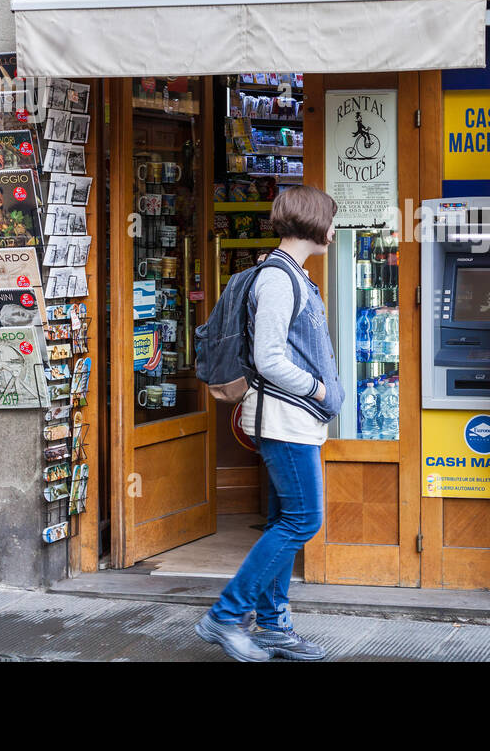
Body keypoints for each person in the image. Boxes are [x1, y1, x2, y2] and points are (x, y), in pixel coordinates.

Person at [195, 185, 344, 662]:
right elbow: (271, 358)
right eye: (332, 221)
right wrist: (320, 390)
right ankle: (226, 614)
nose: (335, 231)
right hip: (285, 421)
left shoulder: (290, 274)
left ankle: (275, 627)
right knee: (304, 520)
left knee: (285, 520)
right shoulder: (280, 280)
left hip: (290, 420)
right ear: (315, 223)